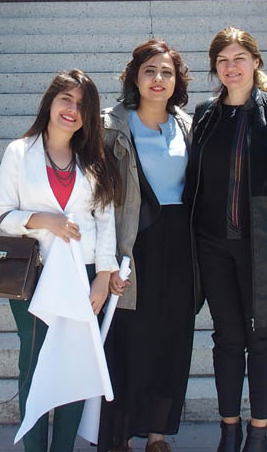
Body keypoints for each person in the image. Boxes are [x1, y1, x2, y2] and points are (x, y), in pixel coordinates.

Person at [184, 28, 267, 452]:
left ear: (255, 62)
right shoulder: (205, 114)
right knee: (226, 338)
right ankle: (229, 428)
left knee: (261, 338)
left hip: (264, 246)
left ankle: (258, 431)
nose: (231, 67)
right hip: (212, 246)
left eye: (239, 58)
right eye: (222, 60)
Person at [0, 69, 122, 452]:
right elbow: (2, 215)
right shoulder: (19, 152)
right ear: (50, 101)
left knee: (74, 368)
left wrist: (104, 276)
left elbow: (106, 220)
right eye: (66, 99)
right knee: (33, 365)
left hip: (83, 276)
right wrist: (44, 220)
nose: (72, 109)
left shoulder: (93, 158)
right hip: (33, 276)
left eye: (82, 105)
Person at [99, 40, 195, 452]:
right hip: (133, 244)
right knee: (127, 341)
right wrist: (107, 260)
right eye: (150, 71)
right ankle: (120, 435)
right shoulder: (111, 126)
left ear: (177, 81)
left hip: (180, 244)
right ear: (134, 78)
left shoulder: (188, 126)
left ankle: (158, 435)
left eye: (167, 72)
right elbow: (98, 198)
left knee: (172, 339)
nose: (158, 79)